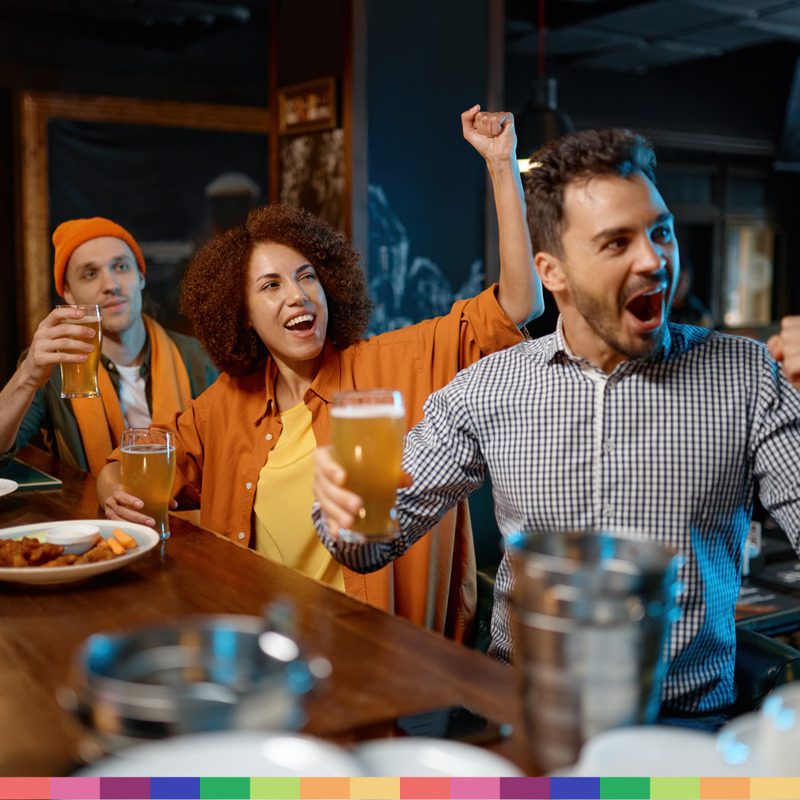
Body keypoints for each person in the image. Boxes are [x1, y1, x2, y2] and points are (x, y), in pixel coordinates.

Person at [313, 127, 800, 725]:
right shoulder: (488, 388)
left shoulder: (746, 375)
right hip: (519, 711)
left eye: (660, 231)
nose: (653, 259)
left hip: (684, 723)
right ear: (553, 271)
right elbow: (367, 545)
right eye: (616, 243)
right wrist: (348, 511)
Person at [97, 105, 544, 642]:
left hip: (385, 656)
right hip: (266, 648)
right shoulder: (227, 402)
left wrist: (500, 164)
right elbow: (144, 455)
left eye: (306, 277)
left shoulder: (393, 363)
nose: (298, 295)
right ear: (240, 314)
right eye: (271, 286)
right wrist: (110, 480)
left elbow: (518, 303)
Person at [0, 217, 219, 474]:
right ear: (68, 294)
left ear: (140, 277)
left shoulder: (197, 357)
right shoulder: (53, 364)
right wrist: (26, 377)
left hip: (183, 511)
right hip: (93, 513)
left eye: (121, 267)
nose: (111, 285)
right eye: (90, 274)